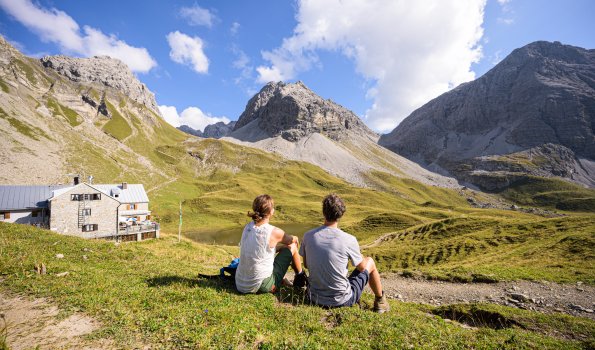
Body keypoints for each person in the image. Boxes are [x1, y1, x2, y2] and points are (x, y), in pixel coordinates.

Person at [299, 194, 390, 313]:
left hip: (312, 297)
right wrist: (361, 256)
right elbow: (362, 268)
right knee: (370, 262)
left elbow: (306, 265)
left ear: (323, 212)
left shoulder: (308, 235)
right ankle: (380, 302)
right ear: (341, 214)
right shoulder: (349, 239)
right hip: (341, 301)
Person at [235, 194, 307, 294]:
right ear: (270, 211)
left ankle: (286, 279)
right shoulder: (273, 232)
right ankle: (300, 278)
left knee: (283, 248)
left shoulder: (247, 227)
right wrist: (296, 237)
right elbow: (291, 240)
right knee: (293, 247)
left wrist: (280, 247)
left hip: (240, 283)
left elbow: (262, 248)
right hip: (260, 286)